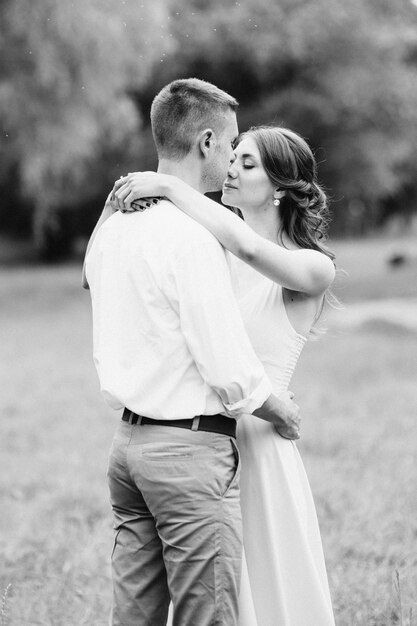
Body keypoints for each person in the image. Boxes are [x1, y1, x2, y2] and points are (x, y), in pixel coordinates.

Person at [83, 78, 300, 626]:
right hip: (188, 453)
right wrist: (278, 409)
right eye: (229, 145)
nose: (230, 159)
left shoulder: (113, 230)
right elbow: (224, 360)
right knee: (208, 616)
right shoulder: (192, 236)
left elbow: (89, 278)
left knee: (135, 616)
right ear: (206, 141)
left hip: (128, 449)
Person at [109, 124, 337, 625]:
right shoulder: (205, 254)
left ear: (280, 188)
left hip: (259, 441)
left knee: (267, 586)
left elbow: (253, 251)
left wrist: (170, 185)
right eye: (235, 156)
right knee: (209, 595)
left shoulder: (313, 268)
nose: (231, 167)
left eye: (248, 163)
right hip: (199, 441)